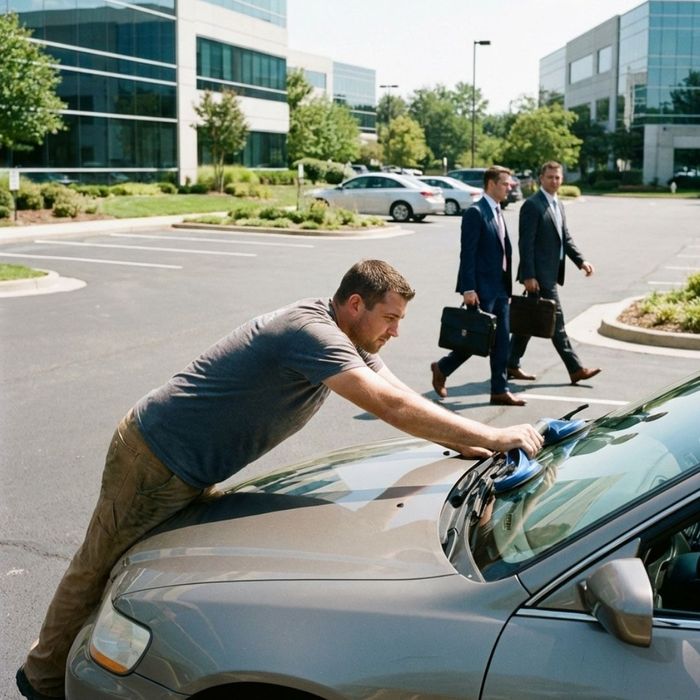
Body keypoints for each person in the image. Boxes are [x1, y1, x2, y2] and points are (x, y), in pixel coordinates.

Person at [17, 259, 543, 700]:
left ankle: (86, 655)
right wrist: (498, 438)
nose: (396, 331)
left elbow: (401, 394)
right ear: (354, 304)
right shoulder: (309, 332)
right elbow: (386, 405)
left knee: (143, 564)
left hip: (190, 462)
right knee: (99, 562)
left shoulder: (348, 335)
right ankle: (40, 680)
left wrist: (470, 440)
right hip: (155, 455)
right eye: (391, 317)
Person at [430, 166, 526, 406]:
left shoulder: (497, 210)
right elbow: (468, 253)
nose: (510, 187)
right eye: (505, 183)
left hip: (501, 289)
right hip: (482, 289)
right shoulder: (476, 212)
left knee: (502, 340)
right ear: (492, 184)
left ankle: (499, 390)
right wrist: (468, 288)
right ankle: (442, 368)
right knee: (476, 339)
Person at [507, 161, 601, 385]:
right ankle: (575, 368)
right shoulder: (532, 205)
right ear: (541, 178)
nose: (554, 181)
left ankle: (510, 363)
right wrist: (529, 275)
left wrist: (581, 261)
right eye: (550, 177)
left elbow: (565, 238)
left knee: (529, 320)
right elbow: (525, 244)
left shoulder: (558, 205)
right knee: (556, 321)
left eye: (558, 177)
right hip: (539, 277)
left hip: (549, 273)